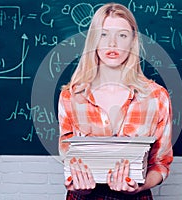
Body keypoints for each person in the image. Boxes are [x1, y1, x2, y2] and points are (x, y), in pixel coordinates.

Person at [58, 3, 173, 199]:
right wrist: (80, 186)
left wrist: (141, 186)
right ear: (94, 40)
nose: (112, 43)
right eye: (104, 34)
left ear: (132, 41)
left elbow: (161, 162)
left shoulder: (156, 97)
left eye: (122, 35)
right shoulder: (71, 96)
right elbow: (68, 157)